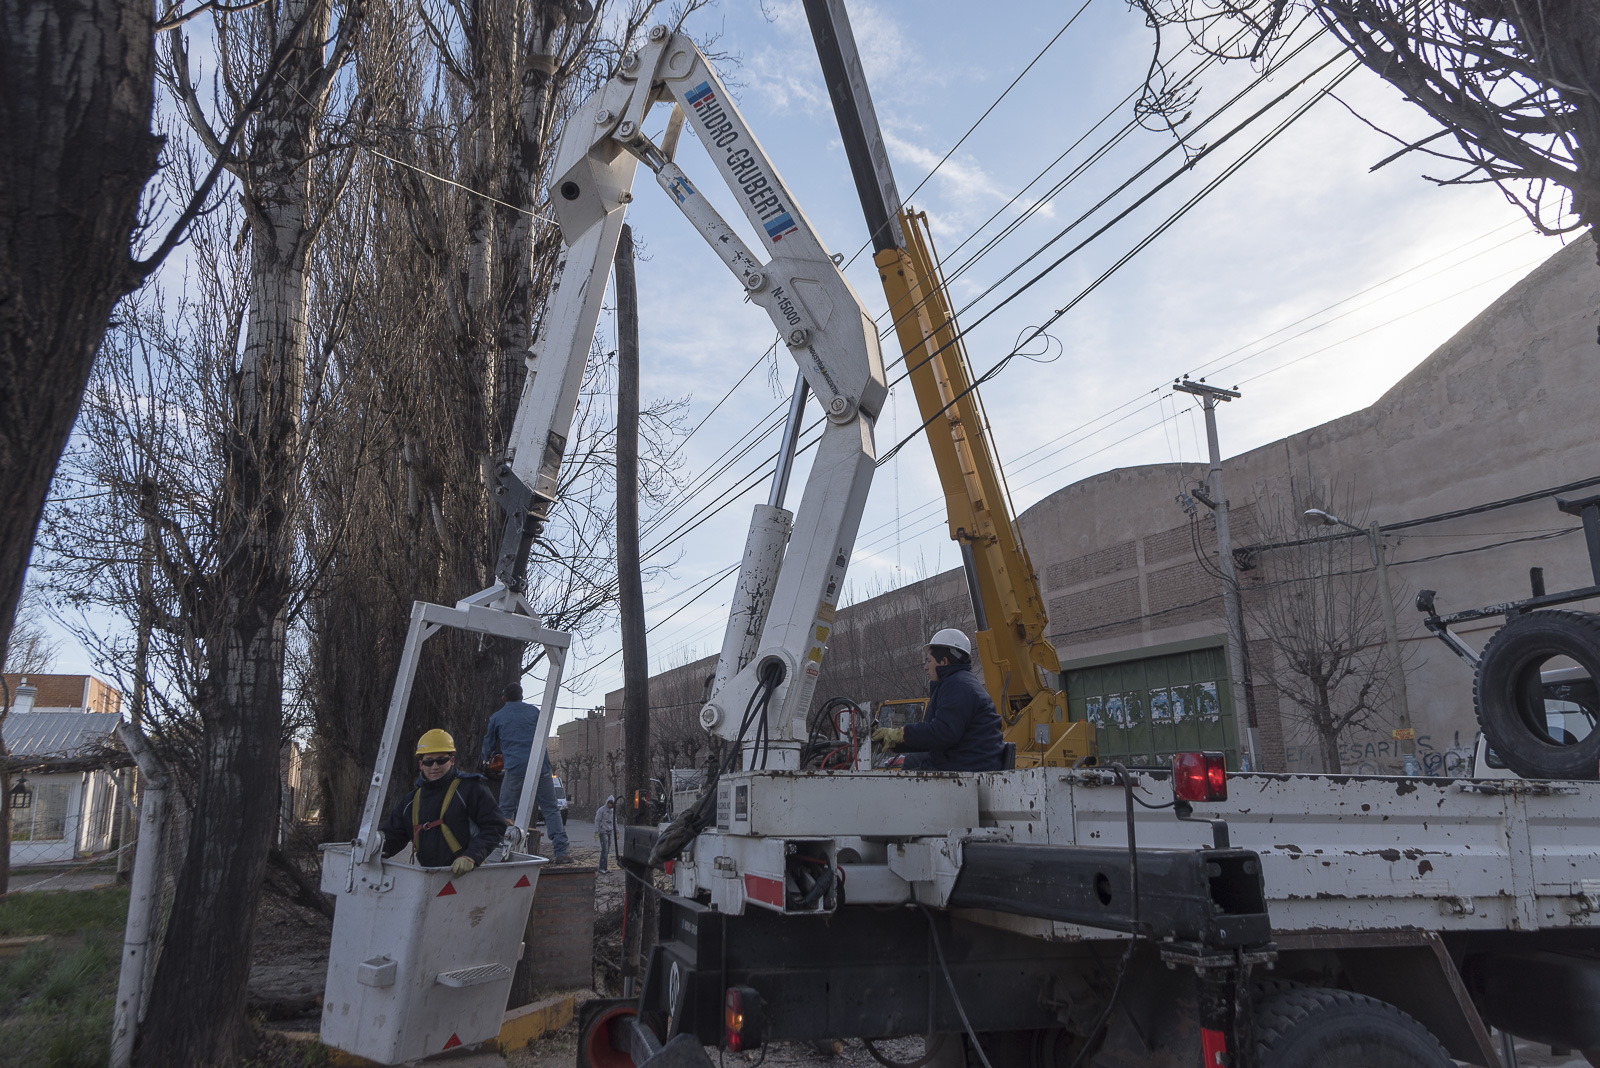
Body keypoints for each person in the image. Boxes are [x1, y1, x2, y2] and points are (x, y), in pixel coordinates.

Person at [872, 629, 1005, 772]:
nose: (925, 667)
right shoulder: (957, 682)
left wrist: (899, 735)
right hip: (965, 757)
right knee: (911, 760)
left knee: (901, 782)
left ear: (944, 662)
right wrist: (893, 743)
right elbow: (933, 736)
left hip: (968, 766)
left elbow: (942, 733)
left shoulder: (958, 686)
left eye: (929, 661)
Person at [380, 728, 506, 875]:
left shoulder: (471, 789)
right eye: (429, 761)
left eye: (441, 760)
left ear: (451, 761)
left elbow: (495, 826)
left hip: (469, 877)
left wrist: (472, 856)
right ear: (421, 765)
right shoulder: (411, 801)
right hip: (429, 878)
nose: (435, 766)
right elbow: (393, 836)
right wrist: (374, 849)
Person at [482, 682, 571, 862]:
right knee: (551, 809)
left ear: (503, 698)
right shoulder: (534, 712)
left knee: (506, 810)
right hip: (540, 767)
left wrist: (486, 760)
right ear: (522, 696)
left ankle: (503, 849)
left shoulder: (497, 717)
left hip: (515, 768)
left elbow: (488, 745)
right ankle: (561, 852)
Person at [595, 795, 617, 873]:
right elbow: (597, 820)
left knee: (607, 850)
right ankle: (601, 867)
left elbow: (615, 821)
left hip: (609, 831)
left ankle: (605, 867)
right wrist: (596, 831)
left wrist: (616, 831)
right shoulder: (601, 810)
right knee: (605, 849)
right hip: (603, 831)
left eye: (612, 803)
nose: (610, 805)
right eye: (609, 803)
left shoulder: (612, 811)